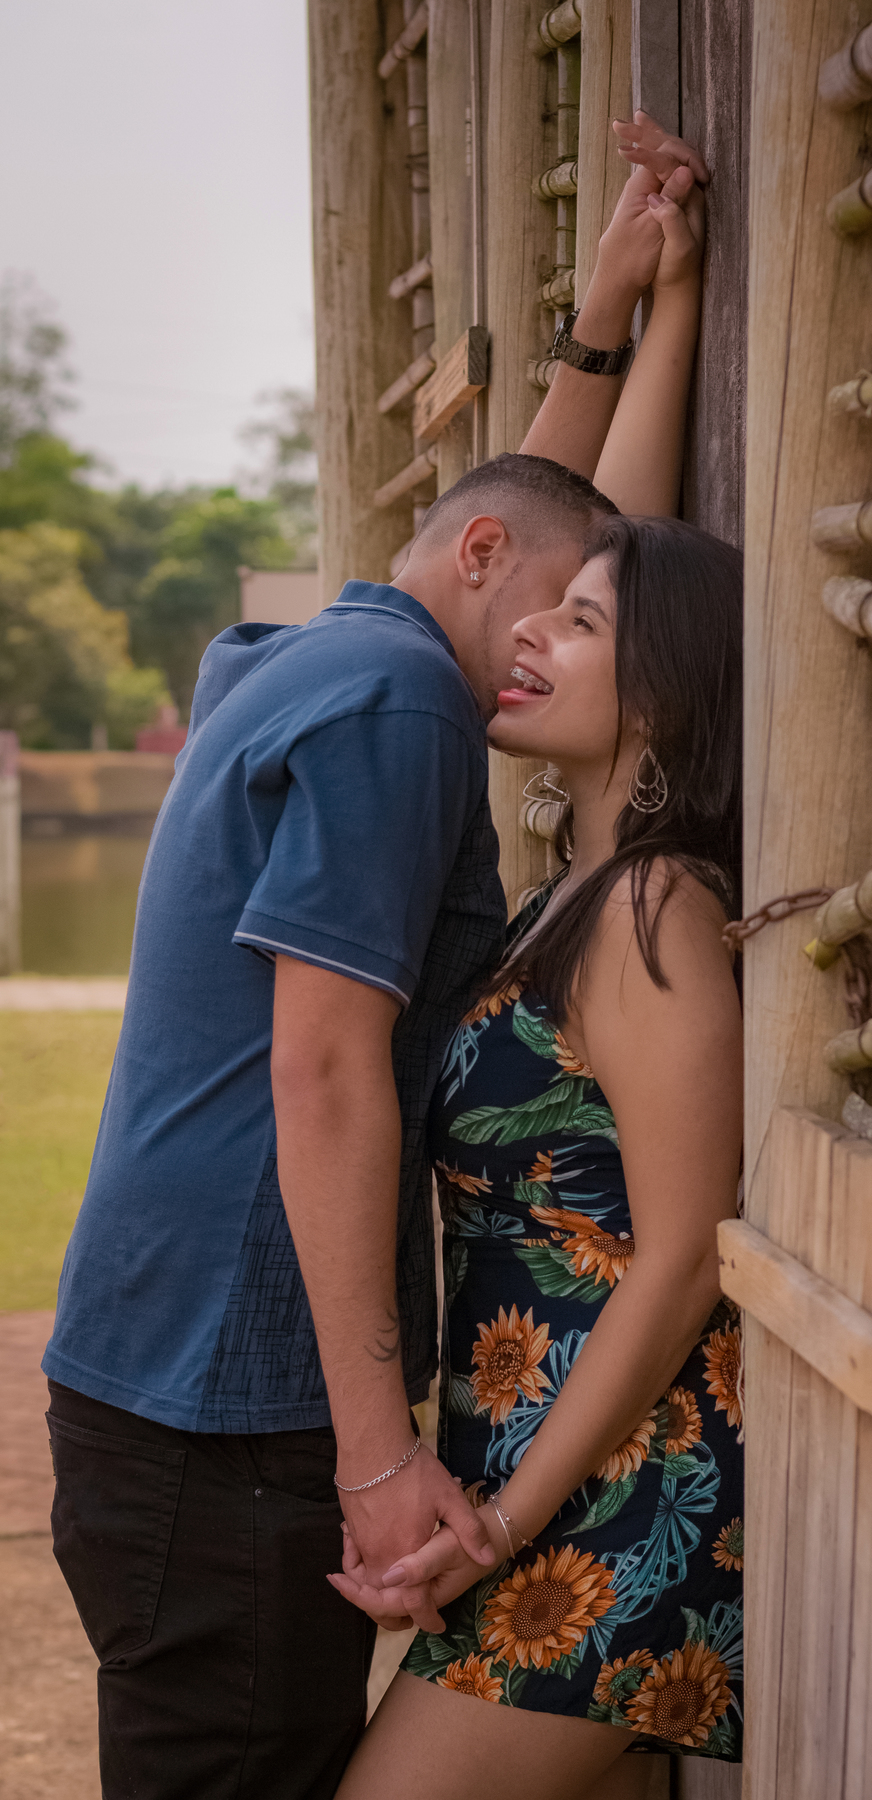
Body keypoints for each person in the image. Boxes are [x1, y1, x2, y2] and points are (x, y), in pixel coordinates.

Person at [41, 113, 710, 1800]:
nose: (544, 646)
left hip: (163, 1382)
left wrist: (620, 320)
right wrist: (373, 1456)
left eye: (584, 629)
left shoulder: (310, 657)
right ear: (480, 568)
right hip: (232, 1410)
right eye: (545, 611)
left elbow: (561, 548)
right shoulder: (402, 699)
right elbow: (327, 1062)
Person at [326, 415, 744, 1799]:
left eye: (579, 623)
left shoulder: (653, 909)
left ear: (667, 685)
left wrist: (507, 1524)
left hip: (622, 1509)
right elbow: (613, 532)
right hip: (545, 1488)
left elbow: (680, 1258)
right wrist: (627, 321)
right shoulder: (569, 897)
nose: (532, 633)